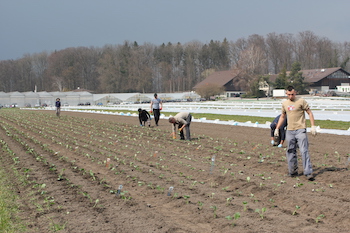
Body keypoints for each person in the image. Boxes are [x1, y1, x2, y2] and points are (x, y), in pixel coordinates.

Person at [275, 85, 317, 180]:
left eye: (292, 94)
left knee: (304, 150)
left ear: (295, 93)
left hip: (300, 129)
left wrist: (313, 126)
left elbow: (309, 113)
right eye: (289, 94)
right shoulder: (285, 104)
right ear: (286, 94)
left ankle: (308, 172)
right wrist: (277, 128)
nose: (291, 96)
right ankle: (292, 171)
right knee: (290, 151)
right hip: (290, 130)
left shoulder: (301, 101)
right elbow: (282, 116)